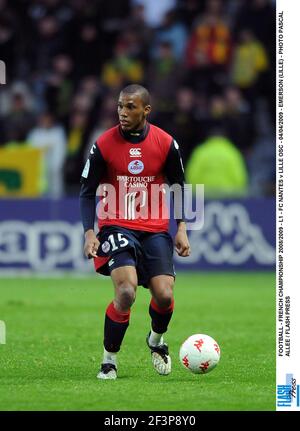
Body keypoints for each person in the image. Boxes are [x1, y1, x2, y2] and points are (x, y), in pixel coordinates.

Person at [79, 84, 190, 380]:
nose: (123, 113)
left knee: (164, 295)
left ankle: (155, 340)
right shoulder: (103, 144)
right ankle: (109, 360)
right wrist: (90, 233)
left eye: (130, 107)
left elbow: (179, 186)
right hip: (116, 224)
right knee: (126, 291)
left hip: (153, 229)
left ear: (146, 110)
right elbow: (87, 192)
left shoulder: (166, 143)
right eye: (119, 106)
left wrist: (181, 227)